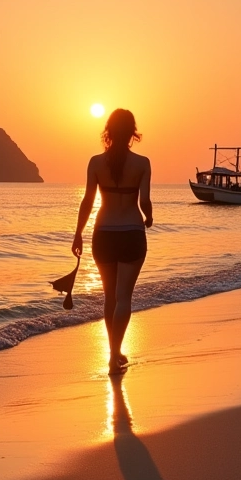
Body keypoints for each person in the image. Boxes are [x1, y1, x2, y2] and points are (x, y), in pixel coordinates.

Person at [72, 109, 153, 375]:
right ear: (133, 133)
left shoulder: (95, 162)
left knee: (109, 298)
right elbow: (143, 202)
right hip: (131, 233)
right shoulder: (142, 163)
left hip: (103, 234)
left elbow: (88, 201)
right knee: (123, 298)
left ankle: (113, 352)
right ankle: (114, 355)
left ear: (108, 130)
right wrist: (149, 216)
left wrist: (78, 232)